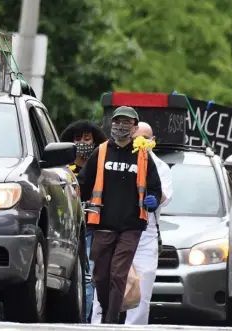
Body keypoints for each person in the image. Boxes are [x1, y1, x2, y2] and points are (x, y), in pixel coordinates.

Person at [77, 106, 162, 324]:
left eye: (126, 123)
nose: (121, 126)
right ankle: (108, 312)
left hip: (131, 226)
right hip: (102, 224)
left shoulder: (143, 155)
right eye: (117, 122)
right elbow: (83, 185)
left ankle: (111, 321)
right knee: (101, 276)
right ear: (111, 124)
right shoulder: (102, 152)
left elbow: (154, 187)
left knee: (118, 273)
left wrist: (151, 200)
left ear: (134, 127)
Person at [91, 121, 173, 325]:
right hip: (116, 233)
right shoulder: (117, 157)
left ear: (153, 141)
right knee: (105, 282)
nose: (141, 142)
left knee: (142, 292)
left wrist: (153, 195)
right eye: (137, 138)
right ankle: (98, 324)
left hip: (145, 236)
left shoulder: (160, 167)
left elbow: (165, 196)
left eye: (146, 139)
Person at [60, 119, 107, 322]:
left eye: (87, 138)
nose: (82, 142)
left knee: (88, 278)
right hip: (66, 228)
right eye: (77, 138)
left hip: (93, 227)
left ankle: (84, 321)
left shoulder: (102, 166)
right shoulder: (63, 169)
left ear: (95, 142)